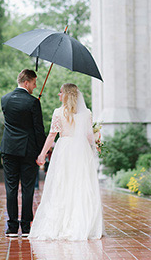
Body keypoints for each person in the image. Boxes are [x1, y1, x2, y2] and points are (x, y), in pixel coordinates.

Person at [29, 83, 104, 240]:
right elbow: (89, 136)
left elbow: (51, 135)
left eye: (60, 92)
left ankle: (62, 224)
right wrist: (97, 143)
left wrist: (42, 154)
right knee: (81, 185)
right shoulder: (86, 113)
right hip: (81, 151)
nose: (58, 94)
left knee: (62, 184)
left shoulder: (58, 112)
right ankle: (82, 223)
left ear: (67, 95)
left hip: (64, 150)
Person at [0, 69, 46, 238]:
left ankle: (12, 227)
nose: (35, 87)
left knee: (10, 188)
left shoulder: (4, 100)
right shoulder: (33, 103)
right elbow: (38, 130)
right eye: (34, 83)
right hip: (28, 150)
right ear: (26, 82)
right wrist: (42, 152)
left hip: (9, 149)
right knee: (27, 189)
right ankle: (26, 227)